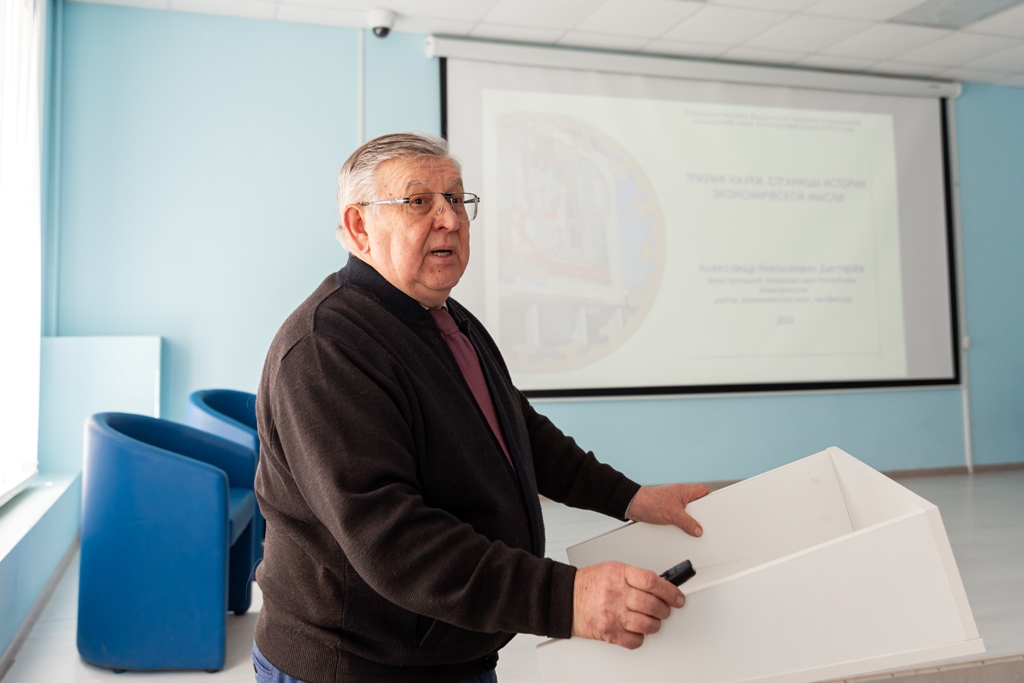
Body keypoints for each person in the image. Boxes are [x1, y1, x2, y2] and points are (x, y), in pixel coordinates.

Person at [252, 132, 709, 683]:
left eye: (455, 198)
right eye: (418, 201)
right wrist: (567, 599)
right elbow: (394, 541)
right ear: (359, 227)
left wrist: (631, 498)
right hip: (357, 667)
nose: (449, 219)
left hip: (451, 649)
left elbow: (520, 433)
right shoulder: (325, 349)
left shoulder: (444, 317)